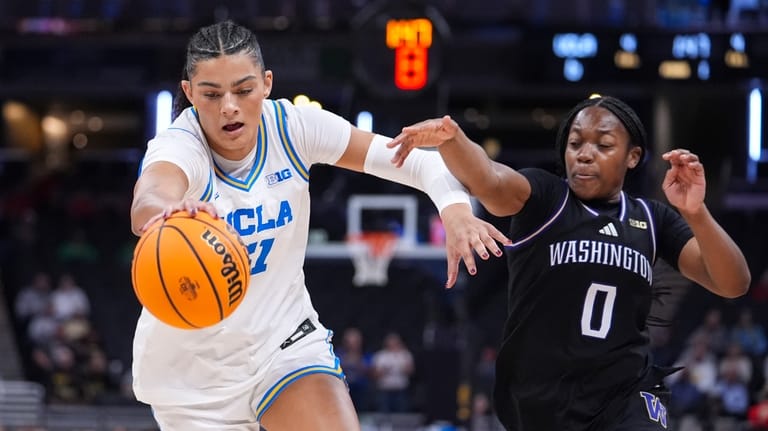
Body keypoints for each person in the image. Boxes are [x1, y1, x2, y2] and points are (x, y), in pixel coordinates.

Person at [129, 20, 508, 431]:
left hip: (283, 345)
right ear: (188, 92)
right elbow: (148, 198)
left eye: (243, 90)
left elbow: (413, 158)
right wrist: (171, 210)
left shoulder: (294, 127)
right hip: (194, 376)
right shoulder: (180, 144)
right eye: (211, 94)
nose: (229, 107)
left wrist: (454, 209)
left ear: (267, 83)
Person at [387, 95, 751, 430]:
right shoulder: (546, 198)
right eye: (575, 143)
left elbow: (733, 283)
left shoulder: (651, 219)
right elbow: (489, 178)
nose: (585, 154)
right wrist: (453, 140)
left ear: (633, 156)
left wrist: (696, 212)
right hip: (542, 397)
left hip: (624, 394)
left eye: (604, 145)